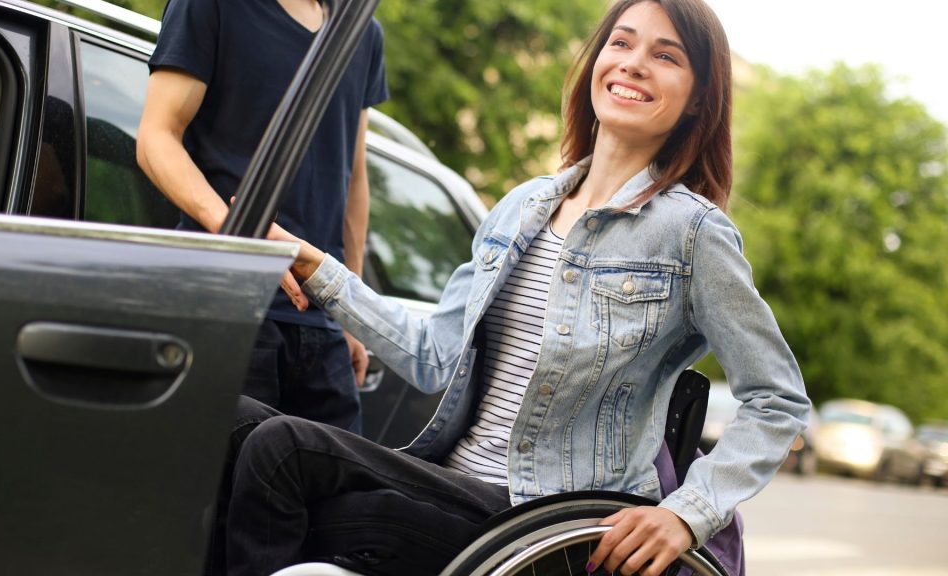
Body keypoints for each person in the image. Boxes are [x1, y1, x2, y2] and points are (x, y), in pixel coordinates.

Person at [228, 0, 811, 575]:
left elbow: (778, 401)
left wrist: (687, 513)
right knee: (233, 420)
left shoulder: (692, 233)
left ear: (699, 99)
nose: (633, 63)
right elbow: (433, 355)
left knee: (283, 451)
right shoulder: (523, 205)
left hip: (544, 523)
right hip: (456, 485)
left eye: (666, 56)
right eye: (621, 42)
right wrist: (316, 268)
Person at [135, 0, 388, 433]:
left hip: (323, 325)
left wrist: (352, 312)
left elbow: (354, 177)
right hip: (230, 307)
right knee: (229, 476)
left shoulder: (360, 28)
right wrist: (244, 237)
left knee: (335, 478)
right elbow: (156, 138)